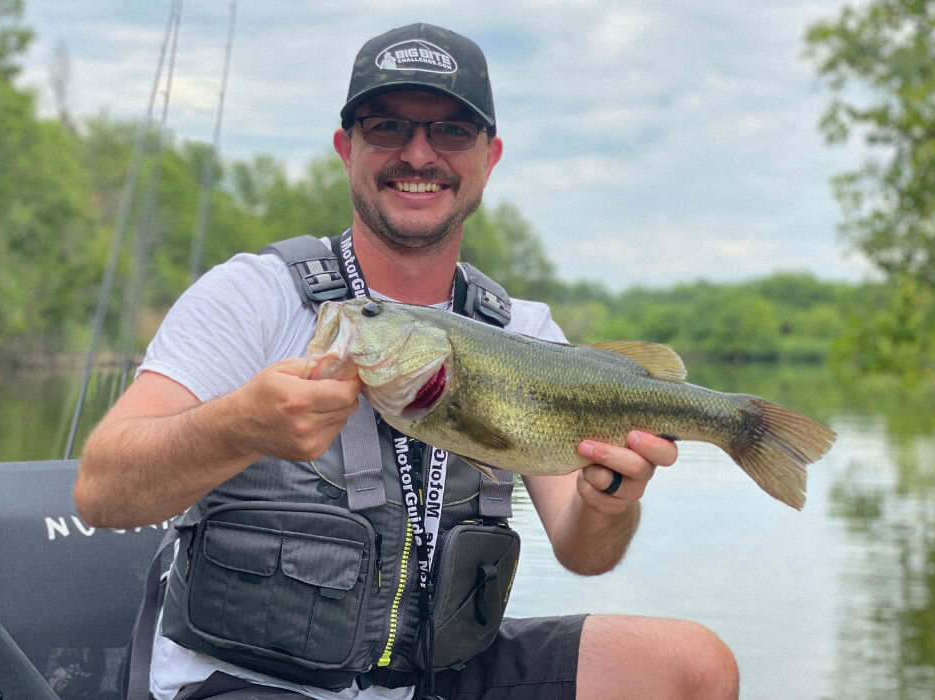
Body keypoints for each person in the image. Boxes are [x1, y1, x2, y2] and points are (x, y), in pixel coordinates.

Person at [75, 23, 739, 700]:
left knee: (691, 666)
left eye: (451, 131)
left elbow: (582, 549)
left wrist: (610, 501)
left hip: (437, 675)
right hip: (249, 679)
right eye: (387, 126)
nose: (418, 154)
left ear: (489, 156)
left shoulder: (524, 331)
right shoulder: (253, 295)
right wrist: (240, 426)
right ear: (347, 148)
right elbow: (100, 491)